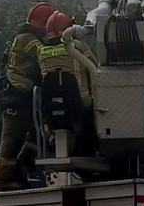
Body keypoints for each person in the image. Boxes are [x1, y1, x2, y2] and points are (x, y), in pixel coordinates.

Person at [0, 1, 53, 190]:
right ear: (41, 23)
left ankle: (20, 173)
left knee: (36, 136)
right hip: (17, 99)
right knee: (11, 142)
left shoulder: (23, 37)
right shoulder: (26, 39)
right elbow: (44, 55)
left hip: (23, 99)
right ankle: (6, 180)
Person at [36, 11, 99, 155]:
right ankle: (91, 143)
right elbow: (96, 69)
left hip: (50, 102)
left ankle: (50, 138)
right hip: (80, 98)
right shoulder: (78, 46)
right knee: (94, 112)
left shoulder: (40, 51)